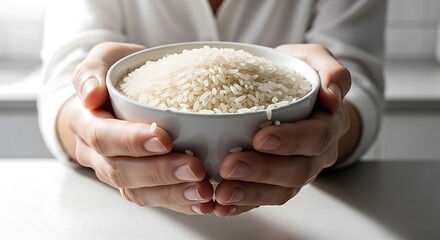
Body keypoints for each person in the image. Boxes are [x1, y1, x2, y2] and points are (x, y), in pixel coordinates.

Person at [38, 0, 386, 217]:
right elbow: (65, 80)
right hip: (114, 218)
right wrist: (86, 122)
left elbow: (357, 86)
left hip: (315, 210)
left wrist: (330, 122)